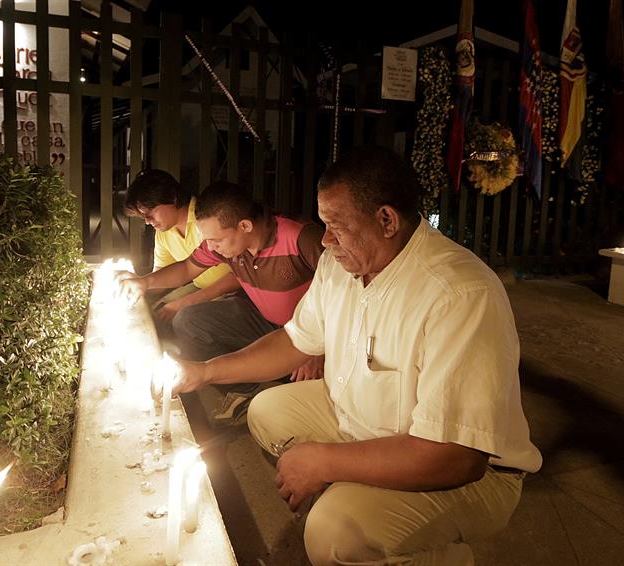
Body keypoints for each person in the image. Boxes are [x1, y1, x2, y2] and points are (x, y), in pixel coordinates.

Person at [173, 146, 542, 564]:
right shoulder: (340, 265)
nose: (325, 240)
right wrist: (203, 371)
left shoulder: (459, 293)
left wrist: (324, 461)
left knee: (334, 534)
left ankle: (441, 556)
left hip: (466, 472)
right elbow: (294, 341)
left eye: (335, 226)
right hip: (364, 423)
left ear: (386, 219)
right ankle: (361, 490)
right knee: (267, 410)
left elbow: (457, 457)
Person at [119, 180, 325, 425]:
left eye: (216, 240)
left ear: (245, 225)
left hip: (311, 331)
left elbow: (345, 292)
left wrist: (318, 347)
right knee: (190, 320)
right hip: (265, 320)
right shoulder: (224, 245)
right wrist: (144, 283)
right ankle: (247, 389)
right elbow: (187, 269)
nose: (212, 247)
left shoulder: (300, 237)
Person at [123, 169, 238, 327]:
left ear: (173, 199)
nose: (148, 221)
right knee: (153, 313)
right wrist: (138, 283)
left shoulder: (208, 218)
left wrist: (185, 303)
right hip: (200, 286)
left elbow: (239, 274)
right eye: (143, 217)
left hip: (233, 291)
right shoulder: (163, 232)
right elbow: (171, 272)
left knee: (183, 319)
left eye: (150, 213)